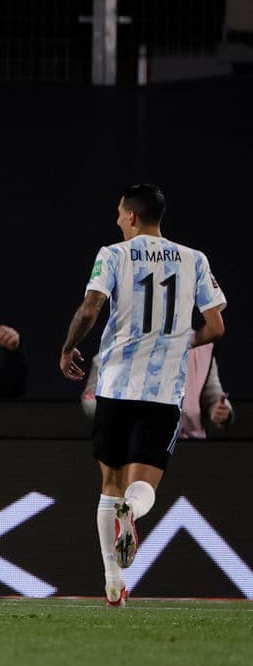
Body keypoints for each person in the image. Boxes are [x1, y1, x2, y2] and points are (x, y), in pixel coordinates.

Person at [59, 184, 226, 607]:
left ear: (132, 216)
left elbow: (91, 307)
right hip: (162, 391)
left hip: (115, 385)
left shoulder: (112, 254)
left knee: (110, 484)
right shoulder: (194, 259)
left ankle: (113, 583)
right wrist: (178, 342)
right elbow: (216, 326)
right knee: (144, 482)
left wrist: (67, 348)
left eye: (119, 213)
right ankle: (130, 515)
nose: (117, 220)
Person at [83, 343, 233, 439]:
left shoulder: (201, 350)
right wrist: (109, 405)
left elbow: (213, 396)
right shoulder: (115, 348)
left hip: (187, 447)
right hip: (129, 443)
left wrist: (220, 409)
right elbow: (90, 400)